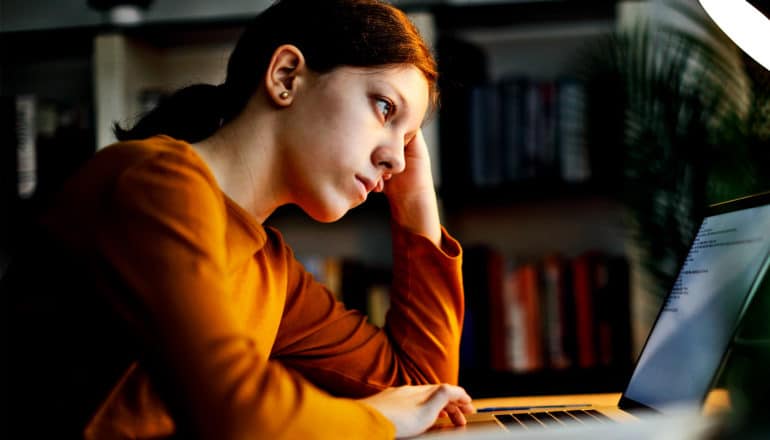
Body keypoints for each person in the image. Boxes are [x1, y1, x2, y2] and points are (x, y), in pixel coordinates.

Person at [3, 0, 474, 438]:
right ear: (286, 75)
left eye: (409, 139)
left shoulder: (269, 266)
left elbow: (426, 391)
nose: (395, 159)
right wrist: (377, 417)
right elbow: (236, 411)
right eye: (384, 108)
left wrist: (416, 208)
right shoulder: (152, 181)